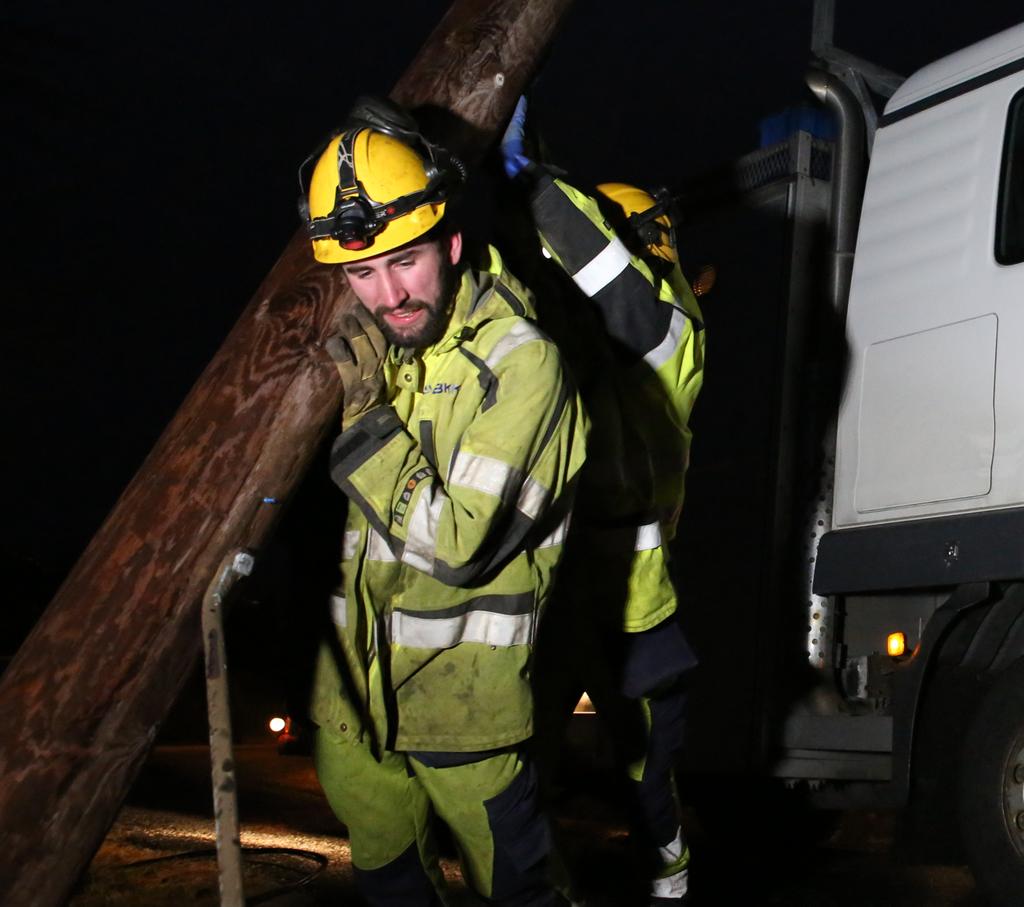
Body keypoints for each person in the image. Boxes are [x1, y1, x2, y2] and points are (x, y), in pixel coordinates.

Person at [299, 97, 588, 907]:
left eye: (406, 261)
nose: (388, 294)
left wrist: (364, 425)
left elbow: (460, 544)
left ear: (452, 242)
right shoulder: (378, 338)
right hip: (355, 703)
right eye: (362, 272)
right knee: (390, 884)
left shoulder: (524, 365)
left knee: (522, 892)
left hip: (465, 708)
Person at [501, 97, 706, 905]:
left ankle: (671, 878)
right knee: (518, 762)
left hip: (633, 608)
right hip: (556, 596)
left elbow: (610, 282)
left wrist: (536, 183)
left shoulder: (670, 326)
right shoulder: (582, 334)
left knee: (646, 770)